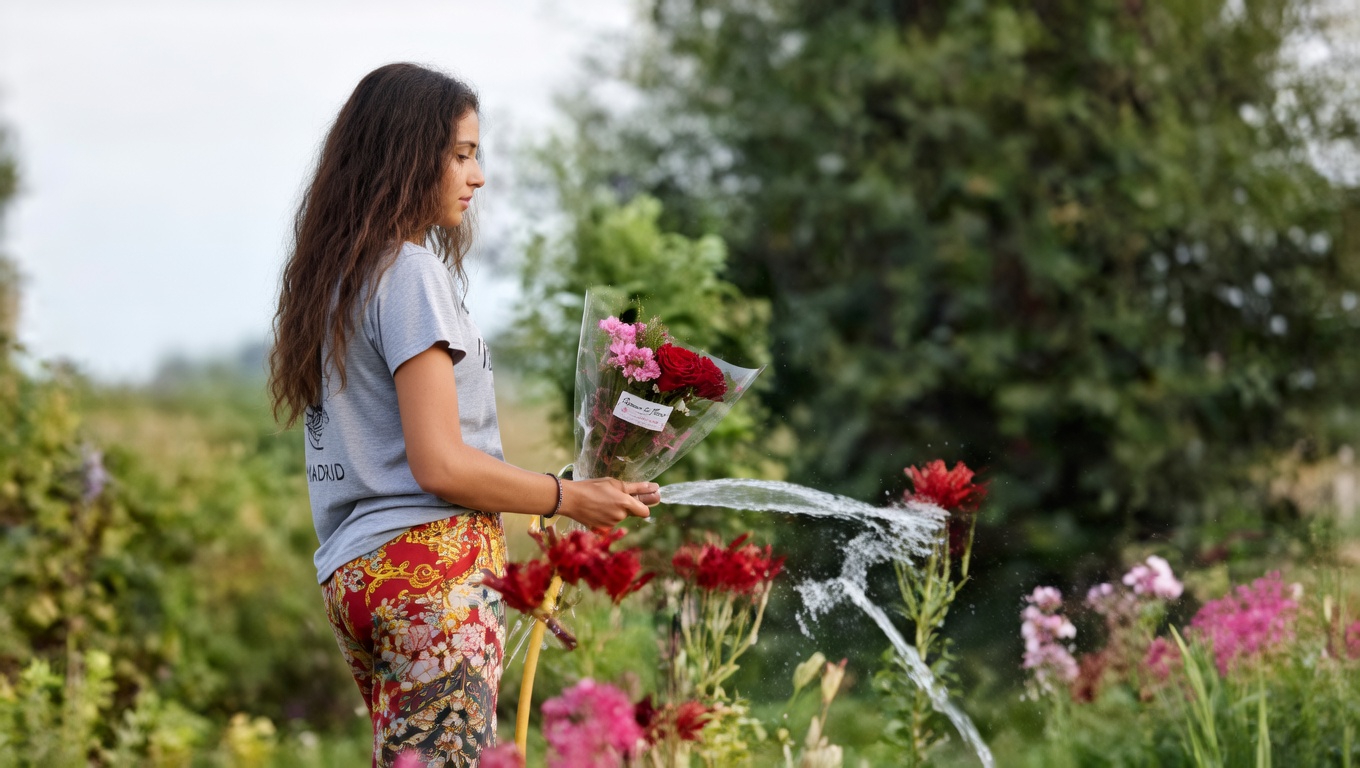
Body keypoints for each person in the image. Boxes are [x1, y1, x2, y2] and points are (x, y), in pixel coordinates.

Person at [267, 62, 659, 767]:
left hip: (356, 575)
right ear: (407, 156)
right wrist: (569, 498)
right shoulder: (411, 272)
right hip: (430, 571)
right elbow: (440, 463)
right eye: (461, 154)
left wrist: (576, 486)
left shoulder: (337, 280)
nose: (477, 177)